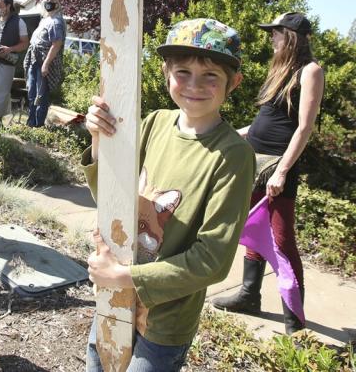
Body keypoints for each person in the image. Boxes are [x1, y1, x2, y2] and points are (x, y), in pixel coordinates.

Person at [83, 18, 256, 371]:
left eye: (211, 76)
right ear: (165, 72)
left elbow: (213, 259)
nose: (194, 85)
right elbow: (111, 198)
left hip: (165, 323)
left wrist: (124, 276)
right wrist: (98, 139)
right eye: (183, 72)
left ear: (233, 83)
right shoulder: (154, 123)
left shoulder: (234, 155)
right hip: (114, 298)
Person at [211, 12, 324, 335]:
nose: (271, 38)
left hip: (278, 166)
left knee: (282, 241)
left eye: (275, 33)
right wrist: (232, 134)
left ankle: (296, 323)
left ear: (291, 36)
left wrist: (283, 171)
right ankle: (249, 295)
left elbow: (304, 127)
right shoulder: (280, 70)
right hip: (255, 161)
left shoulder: (310, 71)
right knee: (254, 229)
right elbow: (266, 121)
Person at [22, 0, 65, 127]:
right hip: (35, 58)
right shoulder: (46, 19)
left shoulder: (57, 22)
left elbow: (56, 44)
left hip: (44, 60)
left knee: (41, 94)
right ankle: (31, 122)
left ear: (57, 4)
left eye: (51, 0)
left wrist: (45, 64)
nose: (48, 3)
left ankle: (37, 125)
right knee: (32, 92)